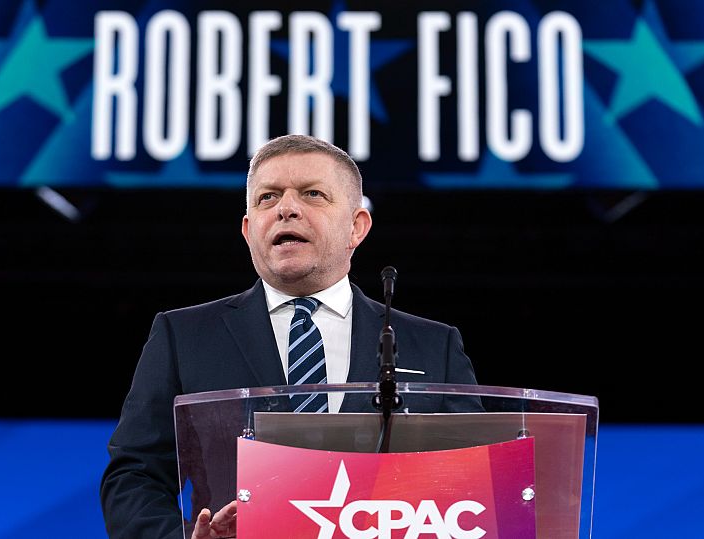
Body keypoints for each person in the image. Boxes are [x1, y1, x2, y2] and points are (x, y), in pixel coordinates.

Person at [100, 134, 481, 538]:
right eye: (267, 198)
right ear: (248, 230)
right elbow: (134, 476)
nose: (286, 209)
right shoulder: (183, 336)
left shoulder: (433, 346)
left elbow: (477, 479)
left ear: (357, 226)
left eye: (312, 194)